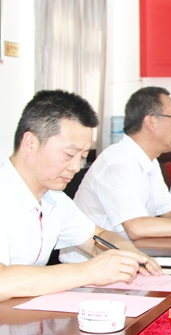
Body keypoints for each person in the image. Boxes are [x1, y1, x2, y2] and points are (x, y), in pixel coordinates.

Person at [0, 90, 160, 303]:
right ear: (30, 142)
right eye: (68, 155)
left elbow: (97, 237)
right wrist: (89, 272)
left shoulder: (53, 199)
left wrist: (125, 252)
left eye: (83, 156)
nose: (75, 167)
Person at [67, 86, 171, 245]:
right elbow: (136, 227)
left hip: (130, 252)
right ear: (151, 122)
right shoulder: (118, 162)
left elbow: (170, 212)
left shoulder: (149, 160)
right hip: (94, 258)